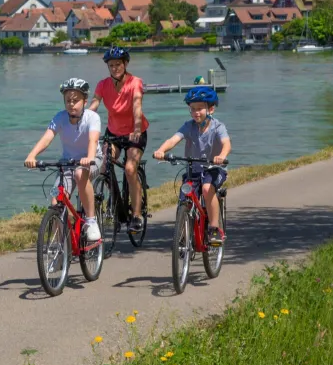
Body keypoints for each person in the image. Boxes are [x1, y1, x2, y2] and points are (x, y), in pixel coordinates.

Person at [24, 78, 102, 246]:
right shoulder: (60, 117)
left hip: (92, 159)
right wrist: (32, 155)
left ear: (85, 101)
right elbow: (47, 138)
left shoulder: (92, 117)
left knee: (80, 173)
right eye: (68, 100)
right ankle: (60, 246)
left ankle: (91, 220)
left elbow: (93, 141)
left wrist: (89, 158)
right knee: (56, 201)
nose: (71, 104)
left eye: (76, 100)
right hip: (68, 162)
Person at [152, 85, 231, 246]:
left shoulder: (218, 127)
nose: (196, 112)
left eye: (200, 108)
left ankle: (214, 228)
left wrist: (222, 156)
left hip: (214, 168)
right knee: (185, 195)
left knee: (207, 189)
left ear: (211, 109)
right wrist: (161, 150)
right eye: (193, 109)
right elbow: (173, 140)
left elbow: (226, 144)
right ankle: (183, 231)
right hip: (193, 169)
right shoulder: (189, 126)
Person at [89, 46, 149, 231]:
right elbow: (94, 104)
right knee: (104, 166)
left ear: (125, 64)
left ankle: (136, 215)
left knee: (130, 169)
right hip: (113, 133)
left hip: (135, 133)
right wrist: (82, 120)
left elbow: (137, 106)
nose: (114, 68)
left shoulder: (135, 82)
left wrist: (136, 129)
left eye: (118, 64)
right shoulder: (103, 84)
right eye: (111, 65)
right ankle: (115, 202)